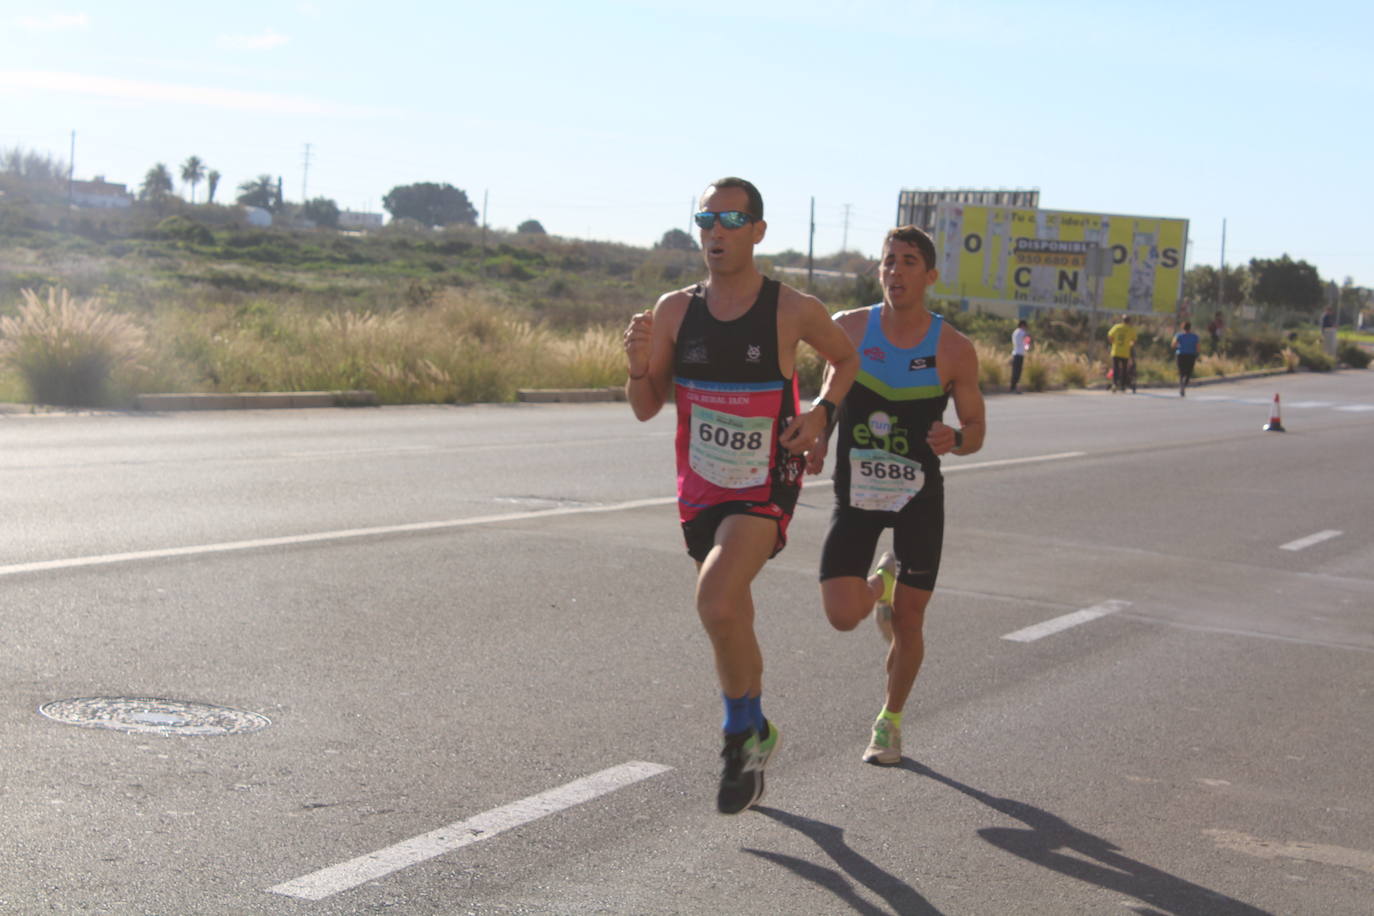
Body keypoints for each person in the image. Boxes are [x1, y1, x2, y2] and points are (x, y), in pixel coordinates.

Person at [622, 177, 859, 814]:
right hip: (700, 492)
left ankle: (737, 740)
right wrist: (639, 366)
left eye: (731, 218)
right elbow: (647, 408)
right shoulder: (675, 310)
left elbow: (846, 359)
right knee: (734, 617)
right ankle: (758, 727)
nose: (716, 230)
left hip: (765, 484)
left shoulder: (791, 309)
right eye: (707, 218)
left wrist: (821, 414)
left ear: (757, 230)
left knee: (717, 598)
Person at [804, 225, 985, 766]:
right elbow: (826, 396)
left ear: (928, 276)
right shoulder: (848, 329)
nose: (895, 271)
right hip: (857, 495)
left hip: (917, 500)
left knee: (909, 619)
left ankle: (890, 722)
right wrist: (818, 439)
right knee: (841, 614)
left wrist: (955, 438)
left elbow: (976, 429)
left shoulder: (954, 349)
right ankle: (881, 578)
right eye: (888, 261)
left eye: (908, 262)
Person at [1106, 314, 1137, 393]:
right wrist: (1130, 345)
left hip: (1116, 351)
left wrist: (1112, 342)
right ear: (1129, 321)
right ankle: (1123, 385)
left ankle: (1115, 384)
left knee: (1115, 368)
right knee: (1124, 369)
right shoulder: (1130, 329)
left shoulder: (1117, 327)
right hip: (1125, 352)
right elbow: (1134, 340)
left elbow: (1109, 336)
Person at [1172, 320, 1200, 396]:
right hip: (1191, 355)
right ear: (1190, 328)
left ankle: (1181, 386)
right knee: (1188, 372)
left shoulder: (1178, 335)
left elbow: (1173, 345)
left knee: (1181, 372)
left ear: (1182, 327)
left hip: (1180, 355)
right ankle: (1184, 384)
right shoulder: (1195, 336)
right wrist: (1197, 354)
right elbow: (1198, 347)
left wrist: (1179, 347)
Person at [1009, 319, 1030, 393]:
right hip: (1019, 354)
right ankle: (1014, 388)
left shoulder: (1015, 332)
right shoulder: (1022, 332)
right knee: (1017, 372)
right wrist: (1027, 347)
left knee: (1015, 371)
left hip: (1015, 353)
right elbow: (1026, 343)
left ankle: (1013, 387)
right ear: (1022, 325)